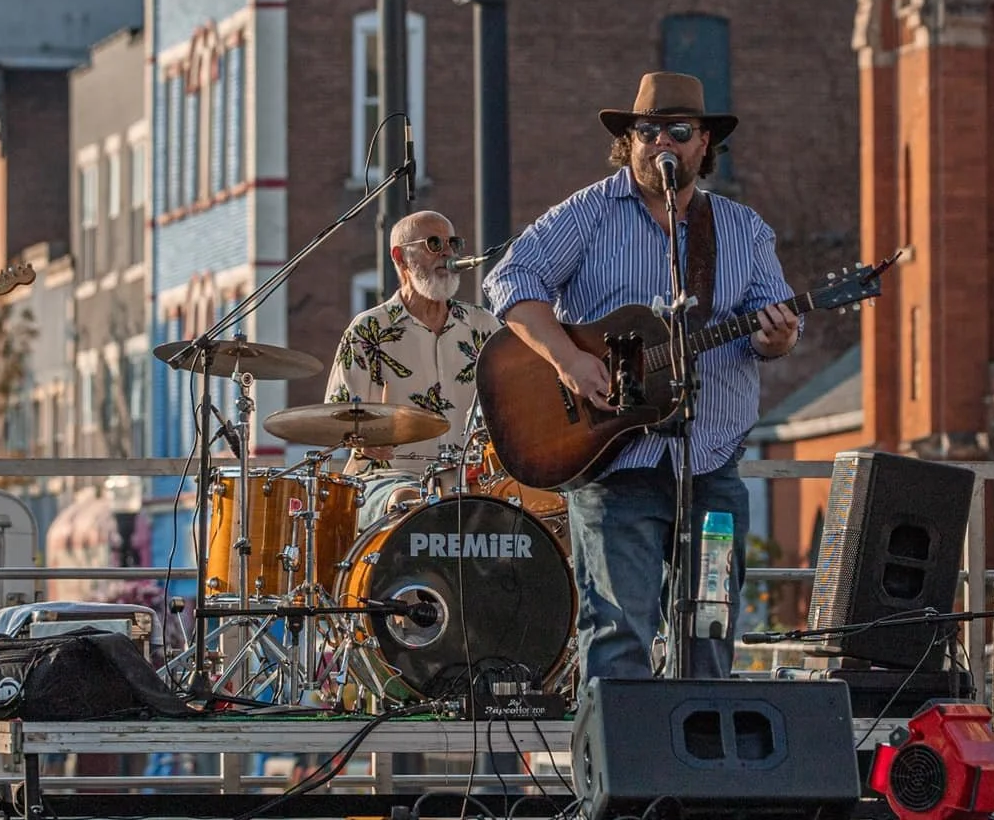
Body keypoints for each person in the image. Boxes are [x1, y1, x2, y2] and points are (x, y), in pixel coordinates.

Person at [485, 72, 800, 682]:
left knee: (708, 634)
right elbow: (510, 281)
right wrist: (568, 360)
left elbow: (775, 327)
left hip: (710, 466)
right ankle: (621, 775)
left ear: (704, 143)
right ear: (628, 140)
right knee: (618, 635)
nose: (663, 143)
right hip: (613, 465)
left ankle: (700, 771)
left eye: (678, 132)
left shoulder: (742, 230)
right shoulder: (589, 212)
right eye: (648, 130)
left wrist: (779, 337)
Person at [326, 209, 501, 485]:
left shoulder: (483, 326)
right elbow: (335, 419)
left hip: (472, 484)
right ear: (400, 257)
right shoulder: (367, 330)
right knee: (404, 498)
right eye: (434, 244)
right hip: (384, 481)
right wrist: (362, 442)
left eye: (452, 244)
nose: (447, 253)